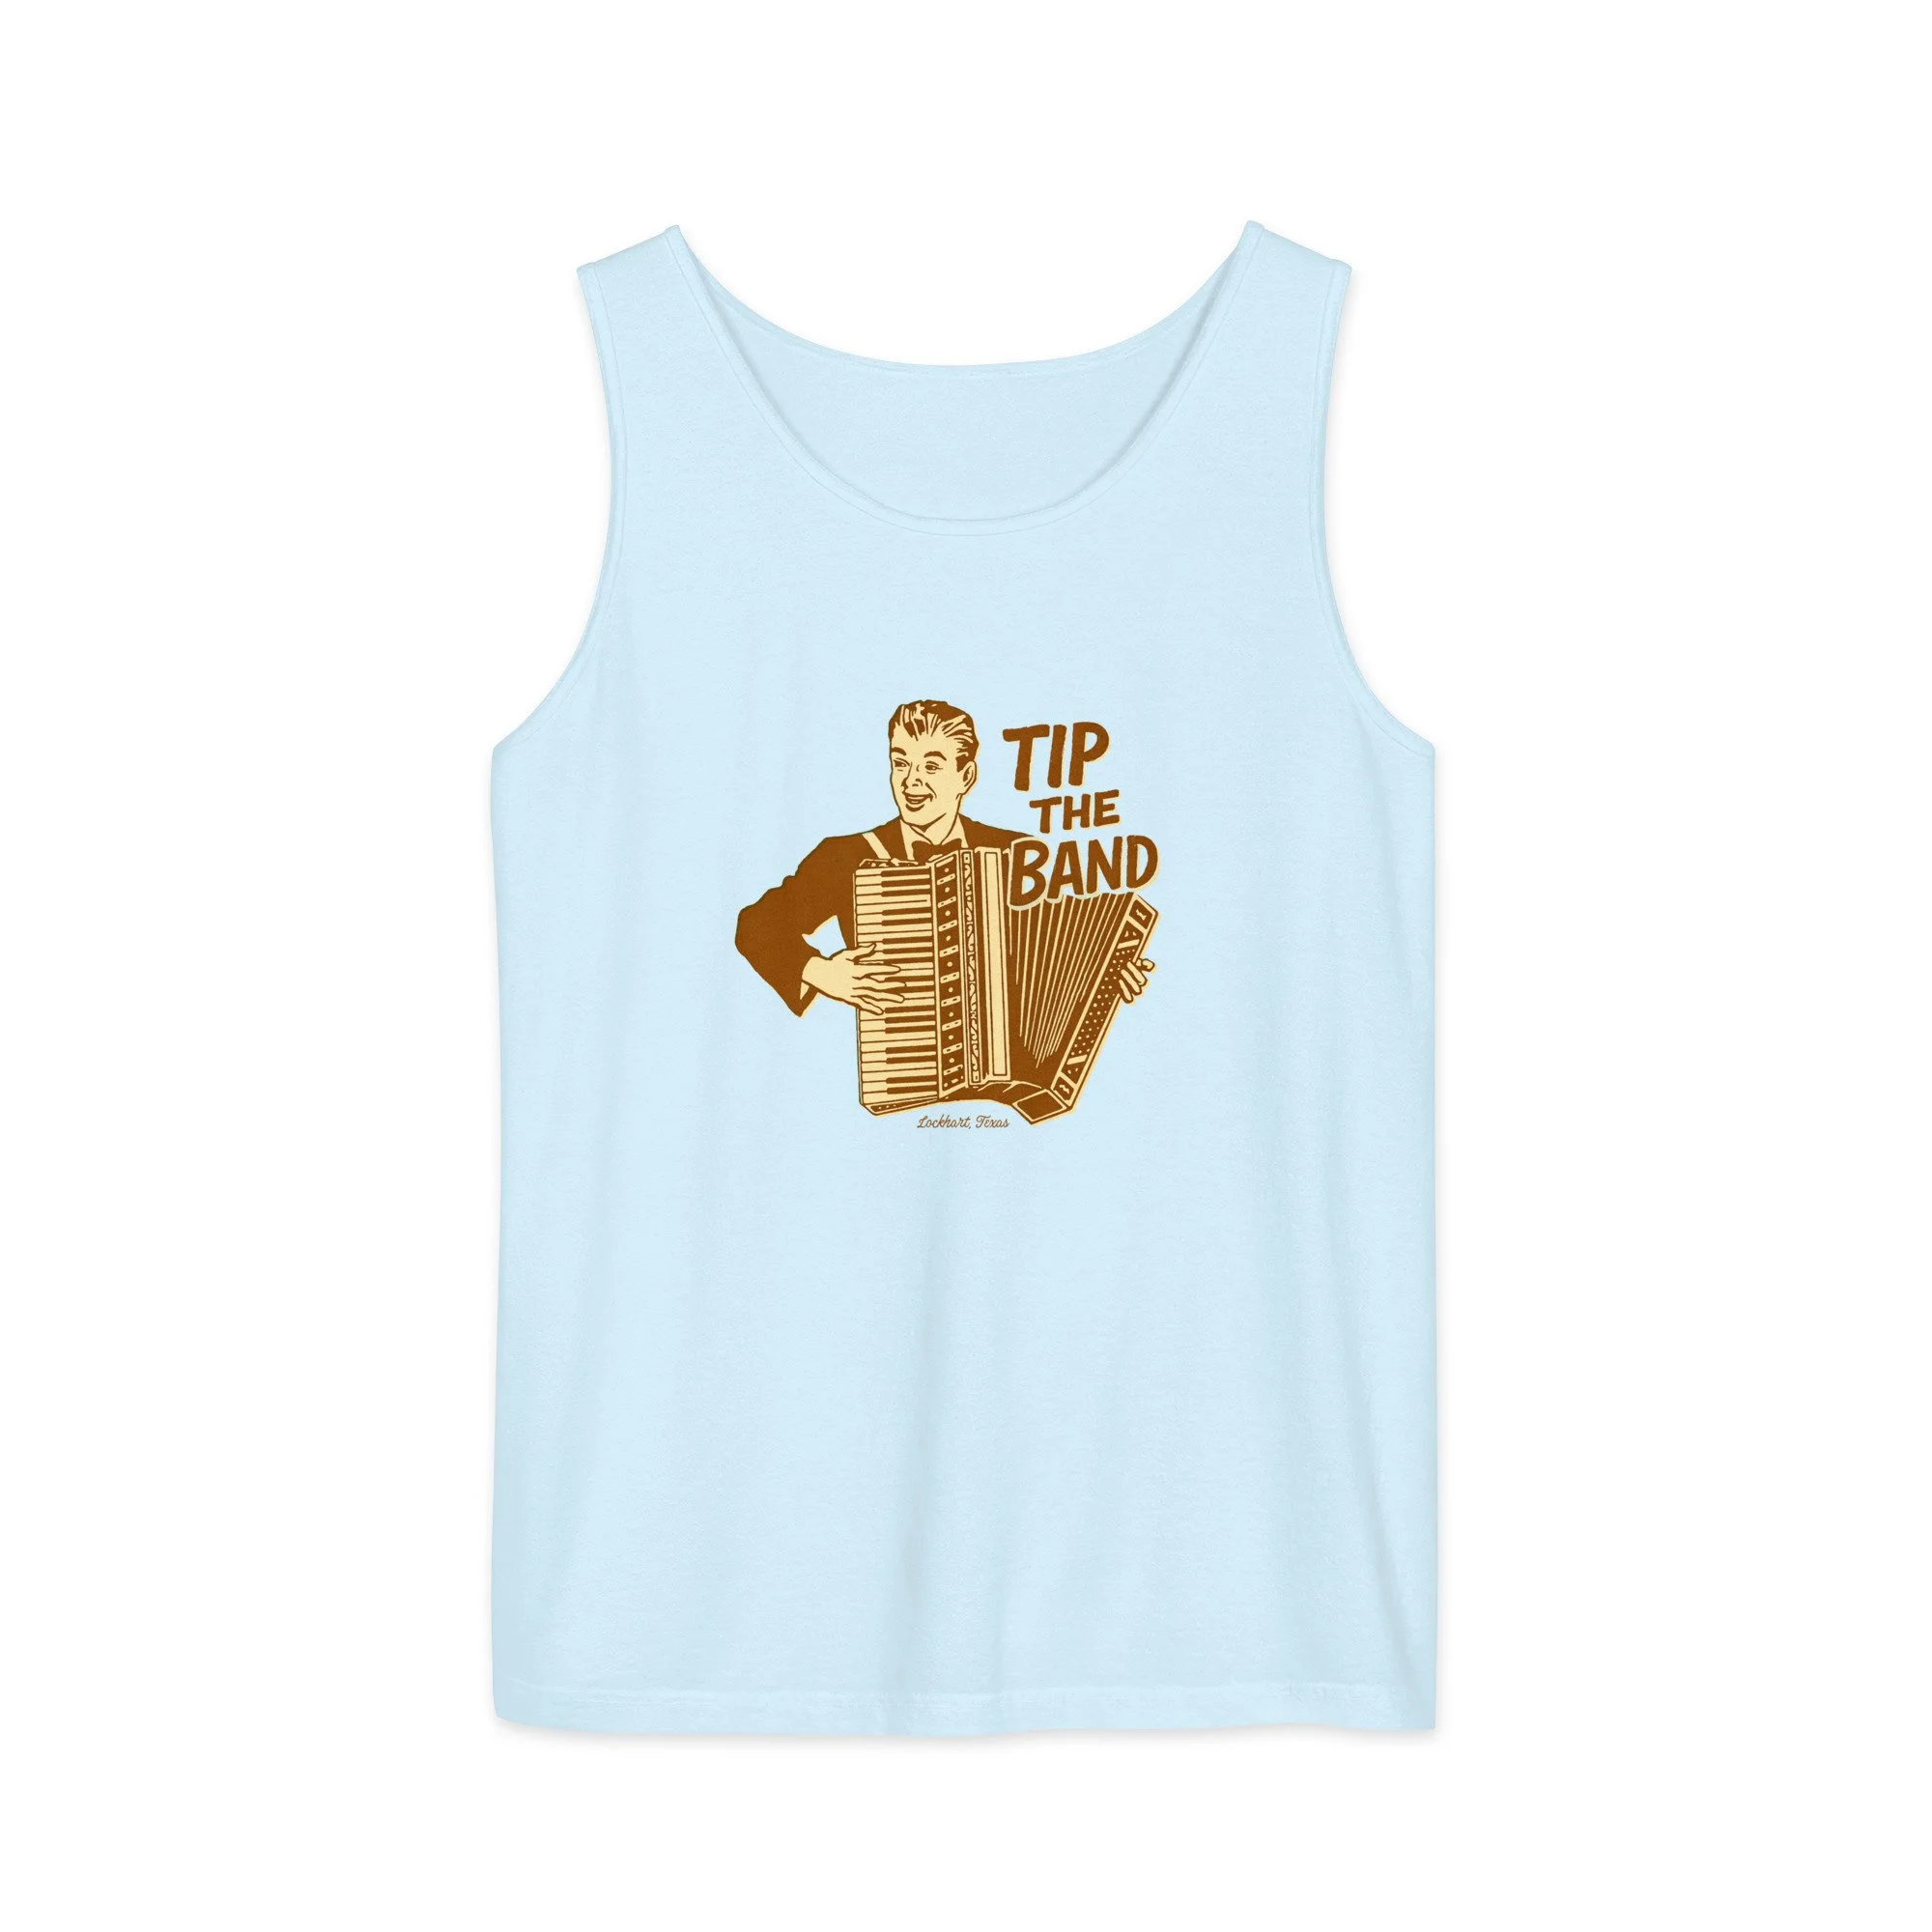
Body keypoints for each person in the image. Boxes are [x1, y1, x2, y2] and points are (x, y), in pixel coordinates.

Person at [736, 698, 1154, 1017]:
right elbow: (755, 924)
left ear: (966, 777)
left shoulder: (1019, 855)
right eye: (901, 763)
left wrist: (1105, 972)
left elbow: (1067, 945)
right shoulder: (845, 857)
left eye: (931, 767)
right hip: (898, 1061)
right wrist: (820, 972)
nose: (911, 781)